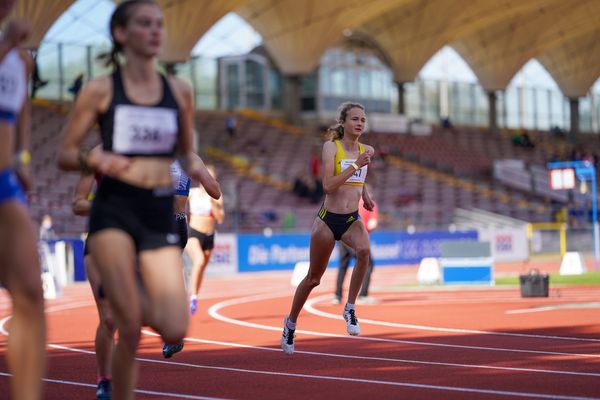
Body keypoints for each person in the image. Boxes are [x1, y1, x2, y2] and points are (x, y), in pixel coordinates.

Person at [57, 1, 221, 398]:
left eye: (159, 24)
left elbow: (184, 149)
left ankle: (131, 306)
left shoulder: (180, 91)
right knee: (119, 321)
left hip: (157, 217)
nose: (155, 31)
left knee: (174, 325)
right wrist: (95, 157)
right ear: (121, 33)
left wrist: (195, 168)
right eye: (144, 24)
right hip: (114, 211)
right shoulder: (101, 89)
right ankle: (108, 383)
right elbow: (66, 153)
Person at [281, 102, 375, 355]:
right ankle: (290, 323)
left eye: (363, 120)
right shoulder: (331, 148)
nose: (359, 123)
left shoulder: (367, 150)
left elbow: (358, 180)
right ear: (343, 123)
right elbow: (328, 186)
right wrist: (356, 164)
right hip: (327, 220)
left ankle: (351, 308)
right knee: (314, 278)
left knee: (364, 252)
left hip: (351, 219)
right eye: (355, 119)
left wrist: (364, 194)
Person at [0, 4, 47, 398]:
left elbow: (23, 112)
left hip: (5, 183)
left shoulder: (21, 60)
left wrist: (23, 157)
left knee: (31, 291)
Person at [71, 162, 115, 400]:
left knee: (128, 319)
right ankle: (104, 380)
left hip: (132, 241)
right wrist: (105, 205)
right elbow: (77, 203)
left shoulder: (145, 152)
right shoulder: (97, 156)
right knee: (108, 318)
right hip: (99, 238)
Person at [187, 165, 224, 315]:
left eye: (211, 176)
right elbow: (177, 201)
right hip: (194, 232)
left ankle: (195, 294)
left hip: (209, 235)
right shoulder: (193, 193)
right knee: (199, 261)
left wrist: (213, 203)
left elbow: (220, 219)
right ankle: (193, 296)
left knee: (202, 268)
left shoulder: (217, 196)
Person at [333, 194, 379, 305]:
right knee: (368, 264)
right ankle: (363, 295)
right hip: (357, 239)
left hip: (343, 237)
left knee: (343, 266)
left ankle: (337, 296)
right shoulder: (370, 204)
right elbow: (372, 224)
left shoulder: (349, 202)